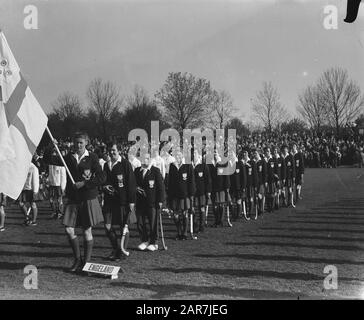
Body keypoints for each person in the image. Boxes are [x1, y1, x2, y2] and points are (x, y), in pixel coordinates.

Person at [62, 132, 106, 273]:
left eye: (81, 142)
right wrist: (52, 147)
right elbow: (48, 159)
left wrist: (85, 184)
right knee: (69, 229)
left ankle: (86, 263)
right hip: (73, 199)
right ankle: (77, 259)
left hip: (87, 197)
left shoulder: (92, 157)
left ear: (86, 142)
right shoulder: (68, 157)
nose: (78, 145)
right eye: (76, 142)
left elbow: (102, 177)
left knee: (87, 231)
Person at [102, 143, 136, 260]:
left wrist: (131, 201)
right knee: (107, 226)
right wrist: (104, 186)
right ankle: (116, 249)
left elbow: (131, 183)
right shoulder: (106, 165)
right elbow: (104, 180)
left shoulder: (125, 164)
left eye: (114, 150)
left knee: (123, 227)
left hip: (122, 201)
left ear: (119, 151)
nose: (112, 152)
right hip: (109, 201)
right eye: (110, 150)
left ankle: (122, 251)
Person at [135, 152, 165, 251]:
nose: (145, 160)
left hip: (152, 202)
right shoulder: (137, 171)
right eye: (144, 158)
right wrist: (136, 188)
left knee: (153, 223)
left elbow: (161, 187)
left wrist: (160, 200)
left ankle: (154, 242)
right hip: (140, 202)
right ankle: (144, 240)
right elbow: (133, 184)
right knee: (140, 222)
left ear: (150, 159)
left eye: (147, 158)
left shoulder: (155, 171)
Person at [168, 151, 196, 240]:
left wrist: (191, 194)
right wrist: (169, 195)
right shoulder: (172, 166)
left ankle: (184, 233)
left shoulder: (188, 166)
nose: (178, 156)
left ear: (182, 155)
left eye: (180, 155)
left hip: (185, 195)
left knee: (185, 214)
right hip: (174, 195)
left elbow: (191, 181)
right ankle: (179, 232)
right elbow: (170, 181)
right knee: (175, 215)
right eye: (176, 155)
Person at [44, 147, 67, 219]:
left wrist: (63, 187)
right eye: (52, 153)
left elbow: (63, 177)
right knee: (51, 199)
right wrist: (48, 181)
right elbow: (50, 174)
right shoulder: (50, 165)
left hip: (58, 185)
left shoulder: (61, 165)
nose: (53, 155)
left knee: (59, 199)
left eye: (55, 153)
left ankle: (60, 212)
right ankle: (54, 211)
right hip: (52, 184)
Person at [209, 151, 230, 227]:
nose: (214, 154)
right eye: (213, 153)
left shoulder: (223, 163)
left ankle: (220, 221)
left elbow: (226, 177)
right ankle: (216, 220)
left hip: (221, 188)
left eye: (216, 153)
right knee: (214, 206)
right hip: (213, 188)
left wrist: (227, 187)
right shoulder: (210, 165)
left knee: (221, 205)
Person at [192, 149, 211, 233]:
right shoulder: (189, 165)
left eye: (195, 153)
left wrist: (208, 191)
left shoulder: (203, 166)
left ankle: (201, 226)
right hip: (193, 192)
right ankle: (195, 226)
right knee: (193, 209)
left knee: (202, 209)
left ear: (198, 155)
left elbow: (208, 180)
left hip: (202, 192)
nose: (193, 155)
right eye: (192, 153)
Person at [19, 162, 39, 226]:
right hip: (23, 188)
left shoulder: (33, 168)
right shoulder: (22, 166)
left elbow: (35, 180)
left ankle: (34, 221)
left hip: (30, 189)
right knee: (20, 203)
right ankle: (27, 217)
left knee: (33, 204)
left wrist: (35, 191)